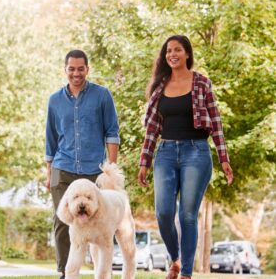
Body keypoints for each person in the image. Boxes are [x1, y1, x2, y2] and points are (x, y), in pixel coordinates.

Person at [137, 35, 234, 279]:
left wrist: (224, 159)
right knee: (163, 212)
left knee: (187, 215)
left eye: (177, 50)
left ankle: (187, 273)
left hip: (196, 152)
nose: (172, 54)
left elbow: (216, 122)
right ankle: (176, 259)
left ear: (187, 54)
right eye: (168, 50)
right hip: (166, 153)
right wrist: (144, 163)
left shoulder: (201, 82)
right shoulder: (160, 87)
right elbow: (151, 130)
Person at [45, 49, 120, 278]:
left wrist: (111, 172)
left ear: (87, 69)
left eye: (80, 68)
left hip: (93, 171)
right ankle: (66, 273)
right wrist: (49, 174)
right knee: (62, 221)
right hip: (62, 168)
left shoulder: (102, 95)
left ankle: (100, 271)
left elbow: (112, 133)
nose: (76, 73)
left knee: (98, 221)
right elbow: (50, 139)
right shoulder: (55, 100)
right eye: (71, 69)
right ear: (65, 70)